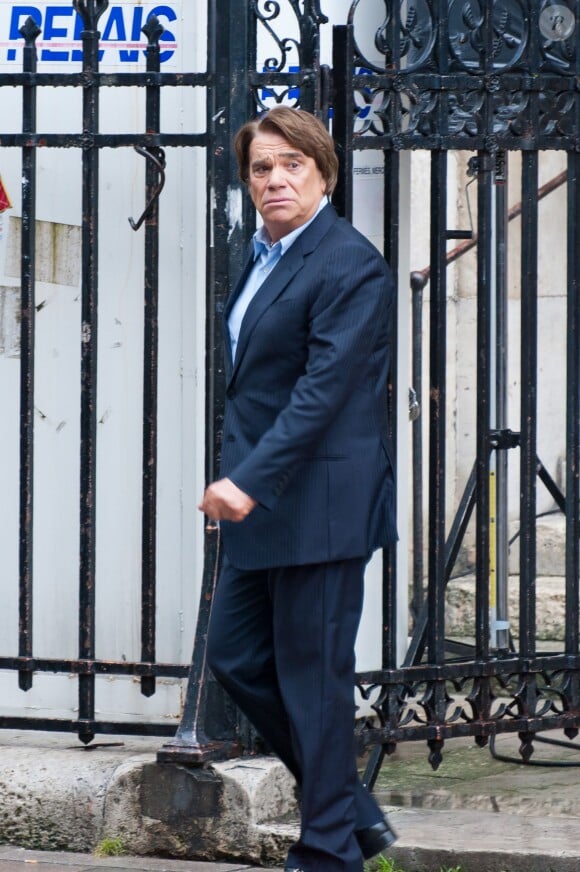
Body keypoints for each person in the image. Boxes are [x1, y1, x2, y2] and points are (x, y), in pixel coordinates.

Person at [200, 106, 397, 872]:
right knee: (238, 657)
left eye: (292, 166)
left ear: (323, 173)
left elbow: (323, 392)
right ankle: (352, 811)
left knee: (314, 680)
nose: (275, 179)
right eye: (261, 168)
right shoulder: (264, 254)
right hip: (267, 501)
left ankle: (328, 854)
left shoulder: (350, 263)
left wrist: (245, 480)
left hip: (319, 505)